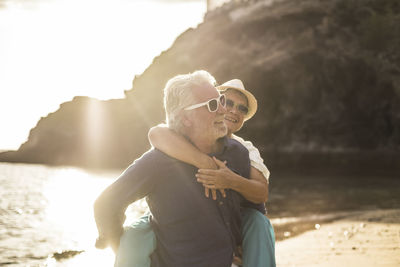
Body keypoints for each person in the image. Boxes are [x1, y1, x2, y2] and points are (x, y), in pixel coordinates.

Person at [94, 70, 252, 267]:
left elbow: (251, 210)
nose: (223, 110)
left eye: (220, 100)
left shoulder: (238, 153)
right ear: (186, 118)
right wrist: (122, 249)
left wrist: (245, 245)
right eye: (213, 105)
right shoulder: (158, 163)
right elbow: (105, 205)